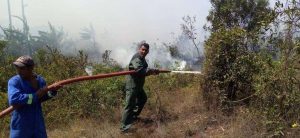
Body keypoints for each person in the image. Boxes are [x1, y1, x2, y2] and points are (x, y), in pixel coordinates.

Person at [8, 55, 61, 138]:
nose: (19, 71)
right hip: (21, 128)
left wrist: (53, 91)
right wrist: (35, 95)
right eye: (17, 67)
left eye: (22, 68)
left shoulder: (40, 81)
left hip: (38, 127)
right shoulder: (14, 81)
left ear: (30, 68)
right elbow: (14, 99)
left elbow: (42, 98)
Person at [120, 42, 159, 132]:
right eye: (142, 49)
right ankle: (124, 128)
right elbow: (140, 71)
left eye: (146, 50)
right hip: (132, 85)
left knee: (143, 99)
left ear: (148, 51)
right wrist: (151, 71)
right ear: (139, 49)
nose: (144, 51)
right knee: (129, 105)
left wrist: (152, 72)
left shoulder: (143, 59)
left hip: (138, 85)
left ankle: (133, 116)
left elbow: (144, 72)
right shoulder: (137, 57)